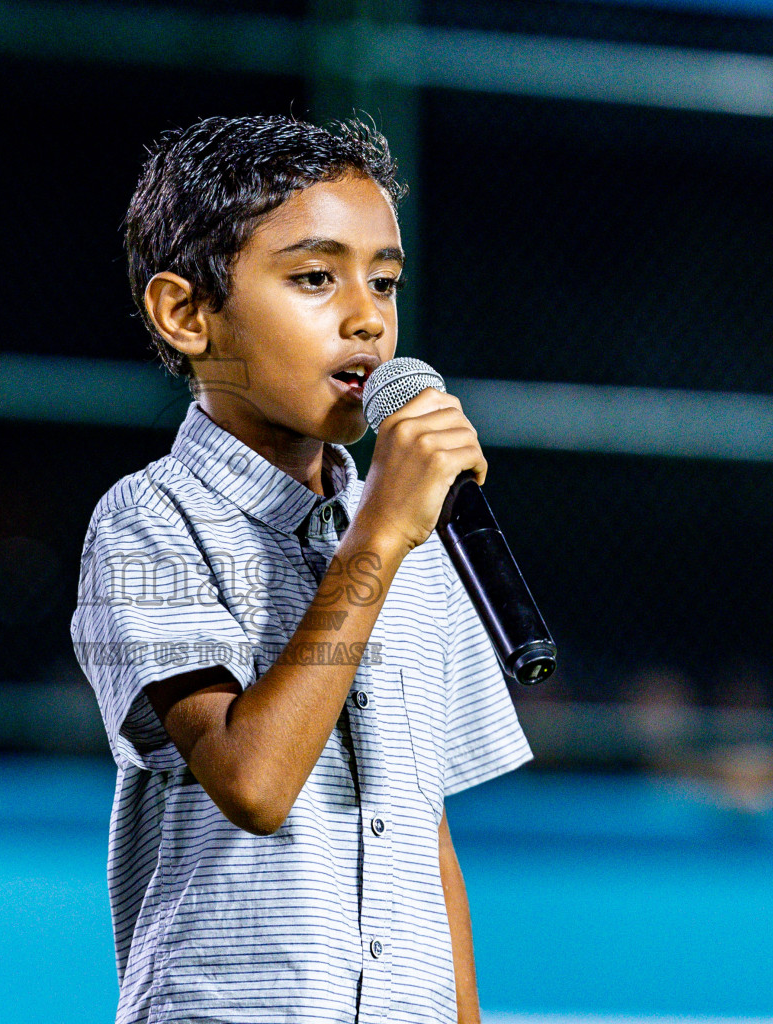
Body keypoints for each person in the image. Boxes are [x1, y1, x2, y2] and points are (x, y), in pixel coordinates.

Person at [70, 113, 533, 1024]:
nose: (367, 316)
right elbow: (253, 780)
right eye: (315, 278)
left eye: (386, 281)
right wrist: (374, 546)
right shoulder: (150, 522)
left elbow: (424, 829)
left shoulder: (412, 531)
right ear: (187, 313)